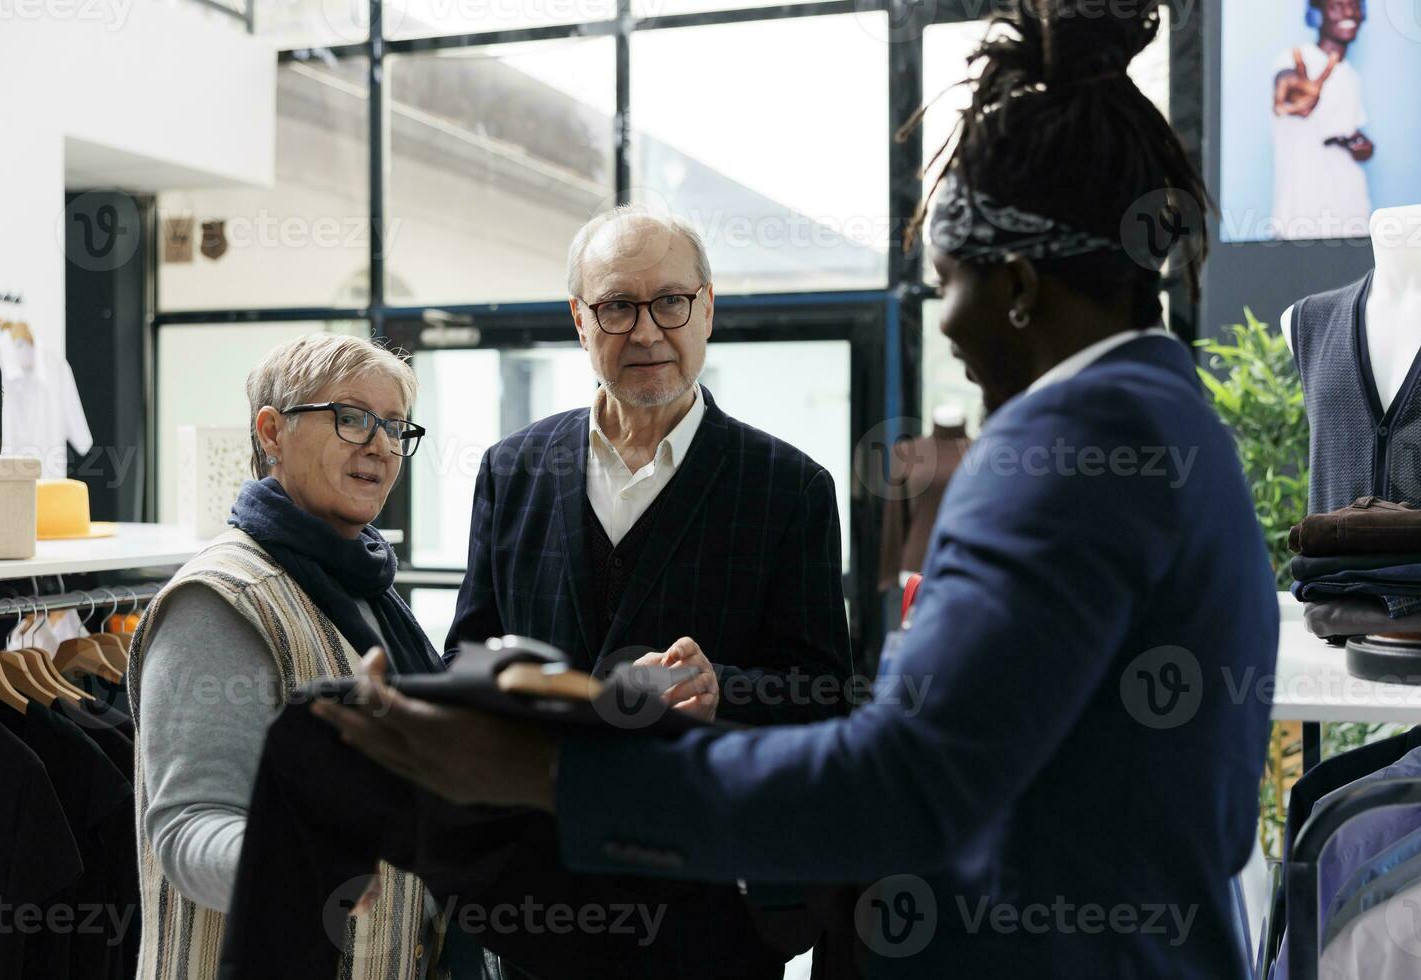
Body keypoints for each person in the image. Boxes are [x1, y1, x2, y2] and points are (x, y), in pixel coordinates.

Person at [315, 2, 1280, 976]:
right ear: (580, 319)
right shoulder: (1169, 425)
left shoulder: (1058, 455)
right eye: (616, 306)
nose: (943, 320)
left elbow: (894, 775)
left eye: (947, 280)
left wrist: (551, 767)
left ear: (1021, 284)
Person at [438, 205, 852, 976]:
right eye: (617, 306)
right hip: (537, 892)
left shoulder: (788, 489)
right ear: (579, 319)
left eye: (670, 302)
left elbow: (826, 692)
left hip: (706, 899)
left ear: (708, 307)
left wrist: (721, 688)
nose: (646, 330)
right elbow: (465, 653)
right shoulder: (513, 469)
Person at [127, 333, 442, 980]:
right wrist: (309, 861)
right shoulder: (220, 598)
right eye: (352, 418)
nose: (380, 445)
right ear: (272, 432)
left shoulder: (370, 589)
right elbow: (187, 828)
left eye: (394, 426)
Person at [1271, 0, 1374, 240]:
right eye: (1337, 5)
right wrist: (1295, 93)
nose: (1349, 12)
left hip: (1351, 214)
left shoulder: (1350, 75)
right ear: (1316, 15)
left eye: (1355, 6)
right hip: (1301, 218)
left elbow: (1348, 132)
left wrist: (1362, 146)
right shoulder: (1294, 59)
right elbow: (1286, 82)